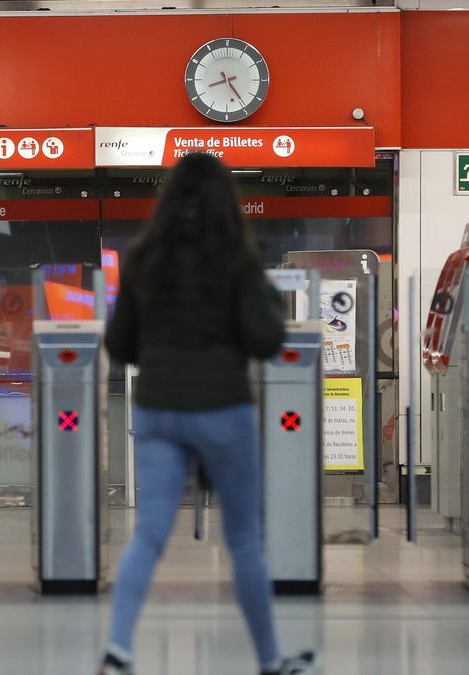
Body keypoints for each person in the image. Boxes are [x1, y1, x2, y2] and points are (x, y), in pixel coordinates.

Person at [98, 153, 321, 675]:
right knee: (243, 539)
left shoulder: (144, 258)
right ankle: (270, 660)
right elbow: (267, 339)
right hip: (222, 409)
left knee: (149, 532)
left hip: (158, 411)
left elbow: (120, 342)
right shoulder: (236, 260)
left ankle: (117, 652)